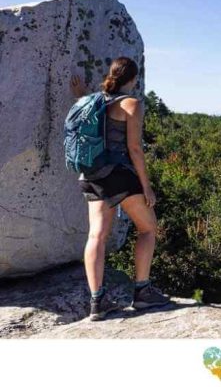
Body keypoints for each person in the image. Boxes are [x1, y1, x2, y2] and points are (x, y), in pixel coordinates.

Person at [70, 57, 171, 321]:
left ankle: (97, 302)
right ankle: (142, 292)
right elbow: (135, 148)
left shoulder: (92, 100)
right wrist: (147, 188)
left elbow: (92, 121)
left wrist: (80, 93)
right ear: (133, 79)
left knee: (96, 236)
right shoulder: (132, 104)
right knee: (148, 228)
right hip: (118, 176)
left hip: (91, 174)